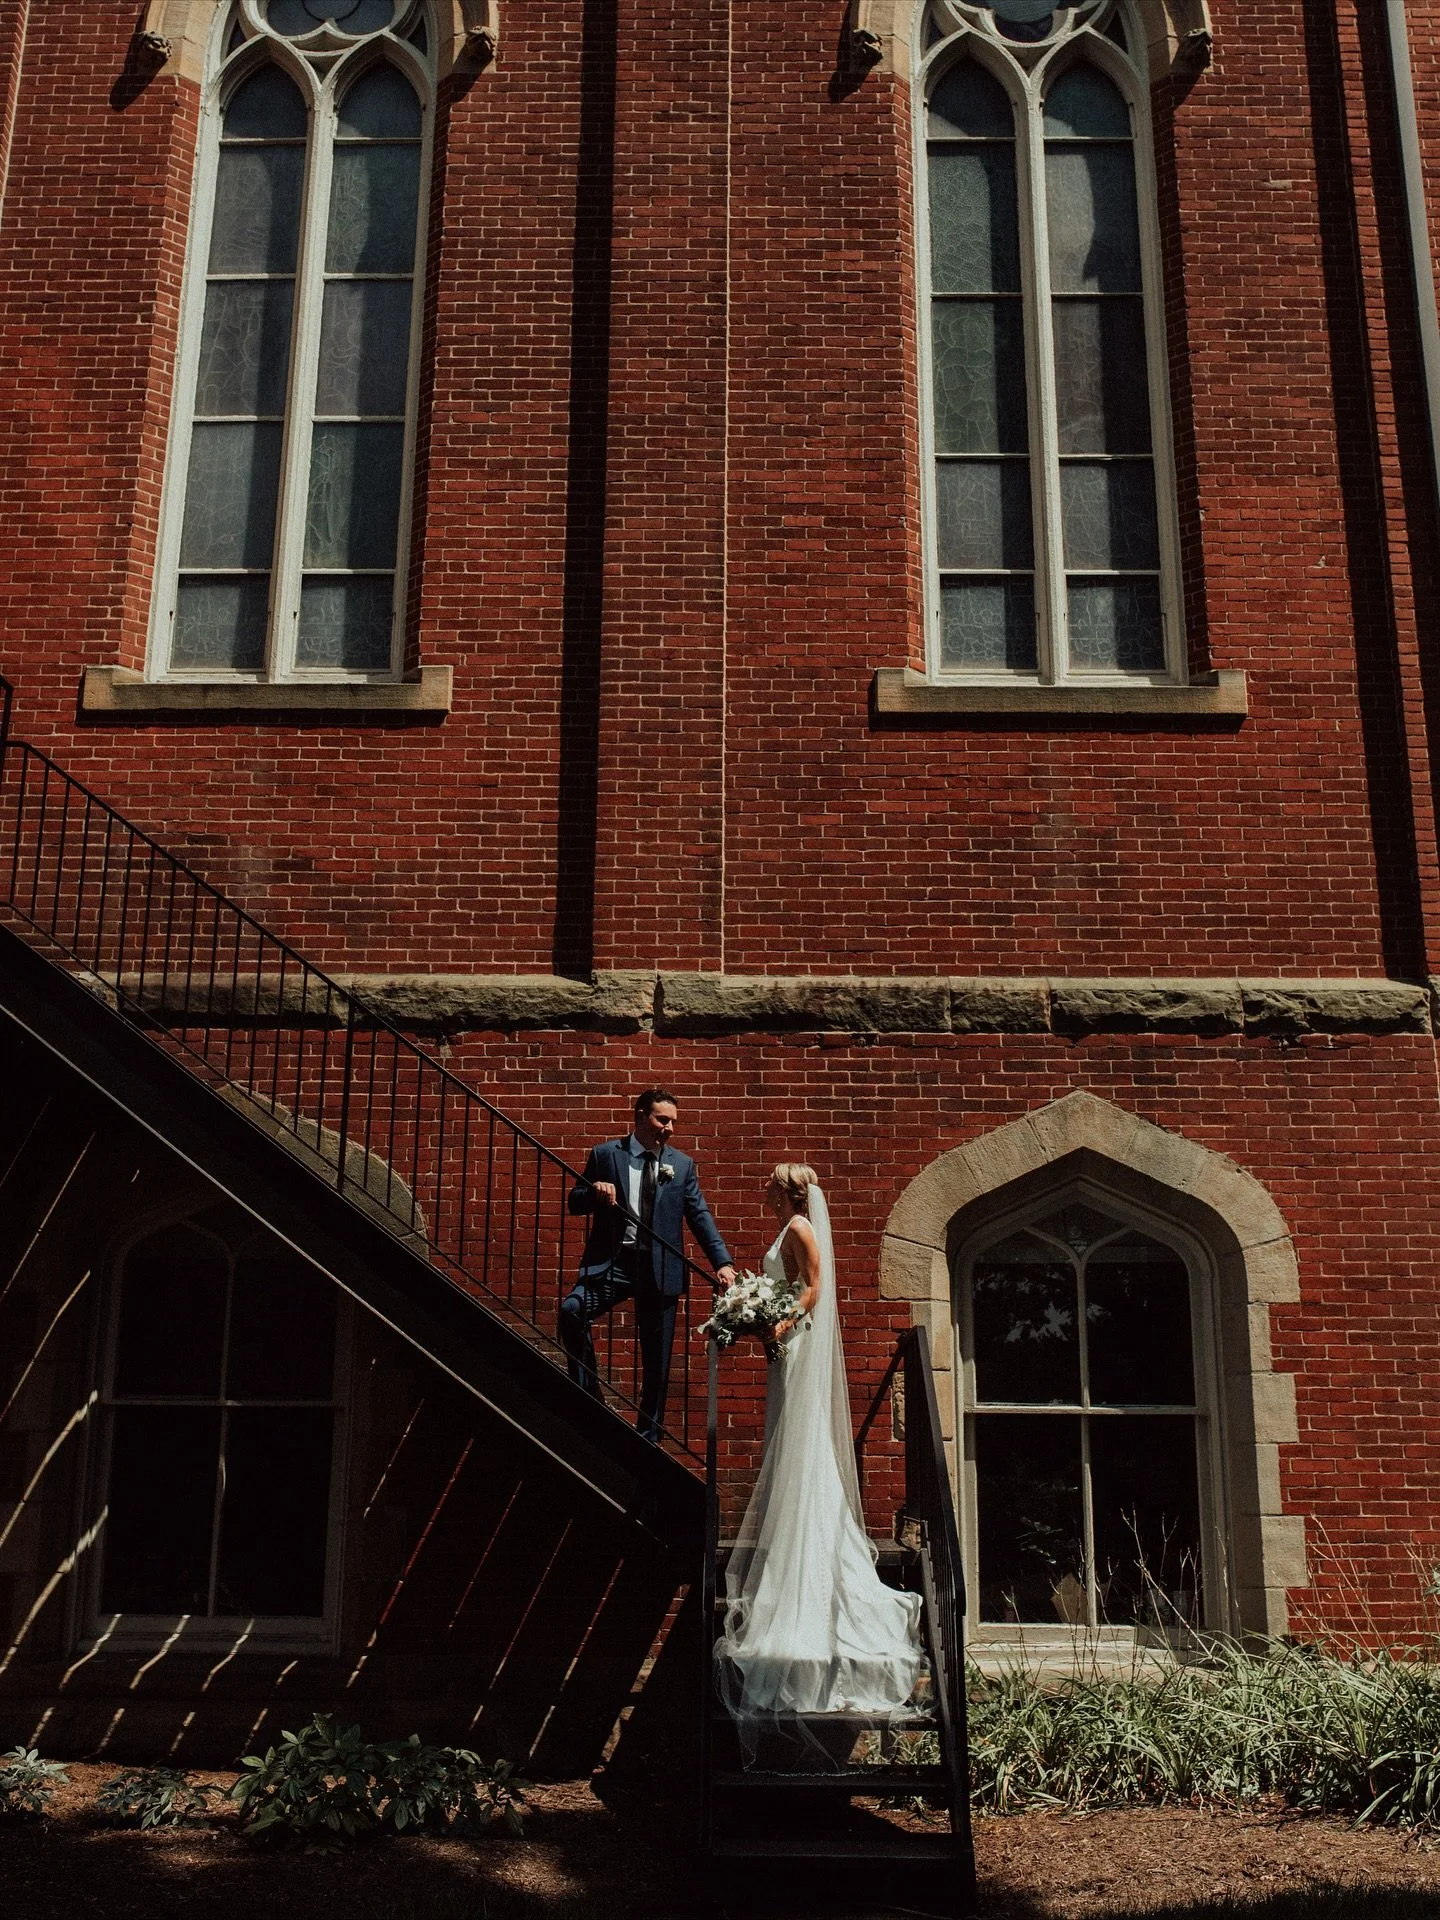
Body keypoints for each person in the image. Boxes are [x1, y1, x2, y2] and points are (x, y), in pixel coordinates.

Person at [715, 1162, 924, 1757]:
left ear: (787, 1191)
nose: (764, 1189)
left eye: (770, 1184)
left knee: (801, 1439)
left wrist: (778, 1322)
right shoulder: (787, 1228)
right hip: (786, 1342)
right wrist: (754, 1309)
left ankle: (814, 1546)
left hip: (797, 1341)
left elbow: (814, 1288)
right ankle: (797, 1530)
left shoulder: (802, 1228)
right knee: (787, 1439)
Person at [562, 1089, 736, 1442]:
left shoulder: (682, 1165)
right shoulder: (606, 1154)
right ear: (641, 1116)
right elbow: (575, 1202)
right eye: (662, 1120)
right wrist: (594, 1191)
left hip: (660, 1268)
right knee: (572, 1311)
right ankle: (588, 1397)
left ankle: (649, 1433)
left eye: (673, 1121)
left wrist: (722, 1262)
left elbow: (699, 1215)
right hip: (614, 1264)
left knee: (657, 1360)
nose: (669, 1128)